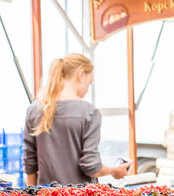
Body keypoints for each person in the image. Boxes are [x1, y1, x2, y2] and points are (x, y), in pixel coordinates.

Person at [23, 53, 132, 186]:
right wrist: (115, 171)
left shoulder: (34, 110)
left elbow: (30, 162)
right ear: (81, 74)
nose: (87, 90)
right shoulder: (89, 113)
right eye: (89, 83)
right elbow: (91, 167)